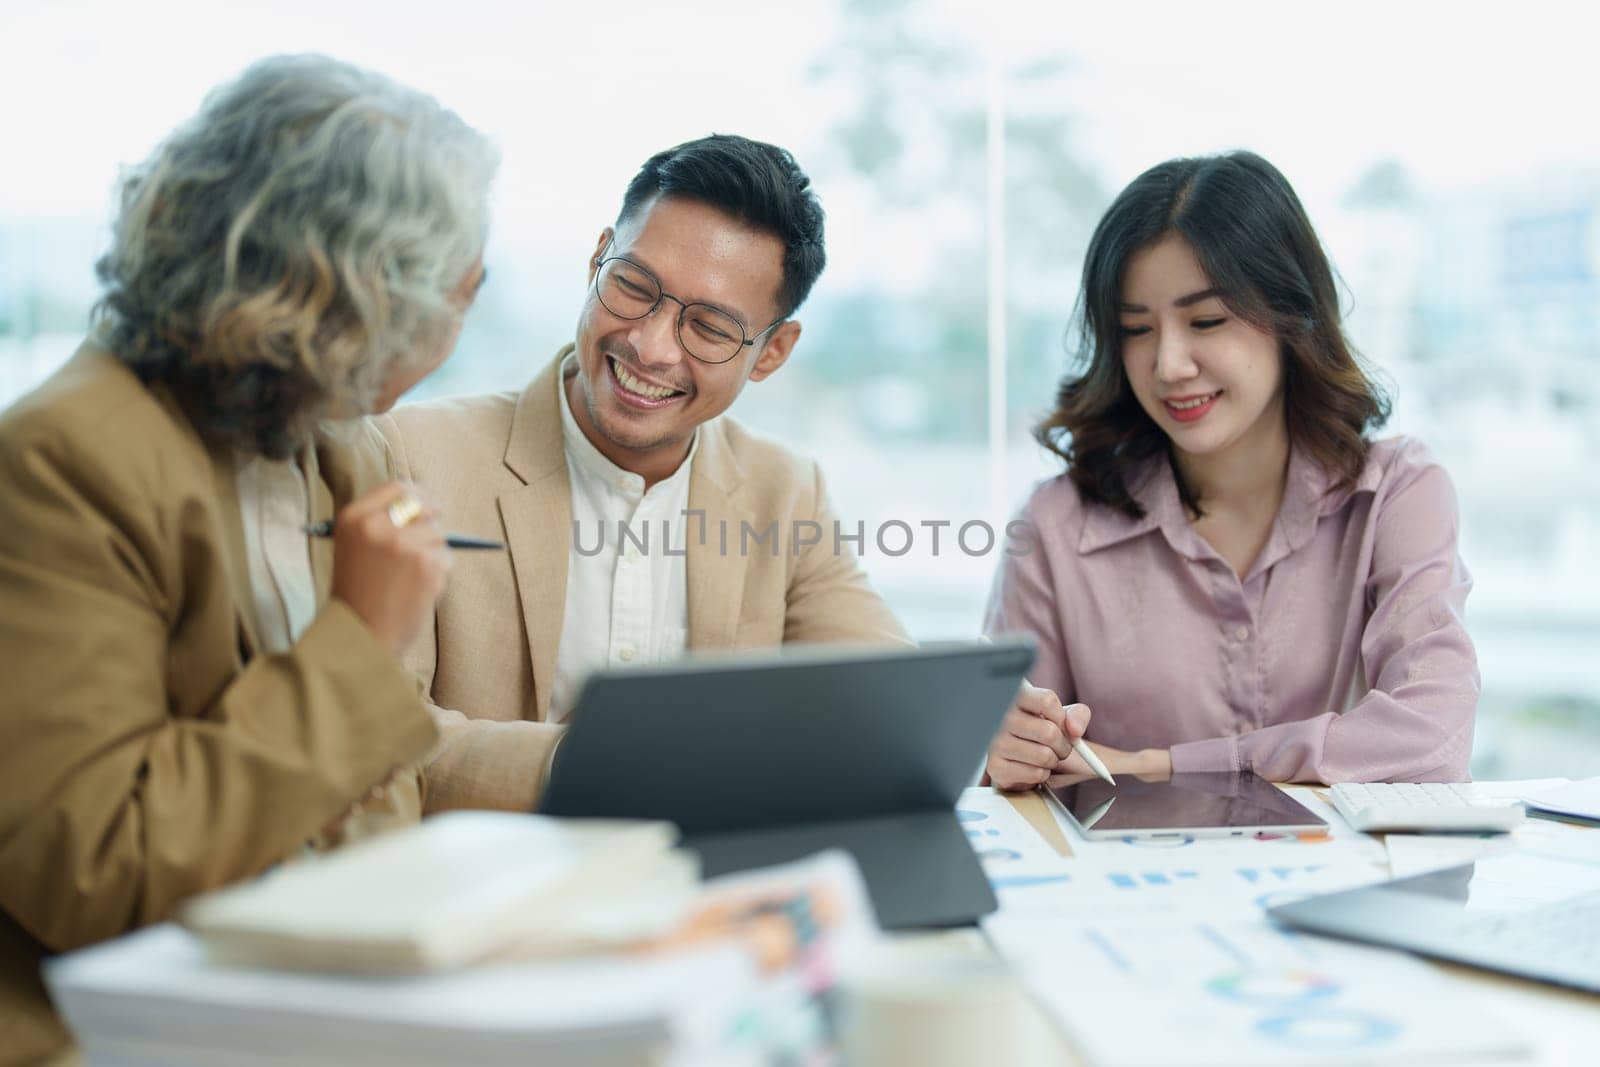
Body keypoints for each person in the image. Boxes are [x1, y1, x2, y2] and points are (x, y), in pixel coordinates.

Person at [0, 55, 496, 1062]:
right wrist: (362, 636)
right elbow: (95, 866)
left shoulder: (335, 438)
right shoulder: (66, 458)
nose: (457, 322)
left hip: (315, 1005)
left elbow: (366, 795)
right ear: (347, 298)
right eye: (452, 292)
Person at [377, 134, 908, 814]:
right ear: (599, 257)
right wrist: (608, 762)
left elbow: (883, 698)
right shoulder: (411, 455)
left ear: (771, 352)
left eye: (710, 328)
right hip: (482, 898)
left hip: (704, 901)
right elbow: (376, 737)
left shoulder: (785, 489)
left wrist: (994, 726)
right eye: (633, 286)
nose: (650, 346)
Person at [984, 150, 1477, 790]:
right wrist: (1005, 753)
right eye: (1136, 329)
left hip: (1337, 888)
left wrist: (1160, 765)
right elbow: (1015, 785)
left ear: (1289, 314)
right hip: (1125, 888)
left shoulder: (1395, 493)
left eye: (1206, 321)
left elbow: (1432, 741)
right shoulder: (1056, 523)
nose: (1168, 365)